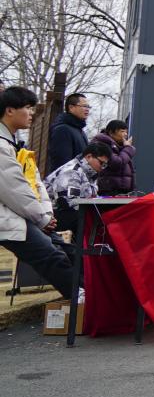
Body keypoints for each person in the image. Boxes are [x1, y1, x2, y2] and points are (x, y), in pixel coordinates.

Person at [0, 87, 77, 301]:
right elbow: (14, 190)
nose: (32, 113)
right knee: (53, 257)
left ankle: (88, 299)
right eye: (27, 107)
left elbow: (34, 183)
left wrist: (45, 214)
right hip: (10, 218)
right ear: (9, 110)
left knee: (68, 252)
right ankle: (83, 302)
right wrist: (42, 218)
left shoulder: (14, 144)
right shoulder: (2, 146)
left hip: (24, 215)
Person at [43, 141, 111, 237]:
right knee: (88, 220)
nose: (102, 167)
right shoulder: (71, 171)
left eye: (105, 165)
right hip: (51, 216)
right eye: (101, 163)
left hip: (66, 213)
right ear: (89, 157)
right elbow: (67, 203)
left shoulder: (91, 173)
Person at [48, 92, 90, 172]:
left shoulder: (80, 131)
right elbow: (61, 164)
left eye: (88, 107)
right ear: (71, 107)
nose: (87, 109)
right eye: (84, 106)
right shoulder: (62, 130)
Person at [92, 120, 136, 195]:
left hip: (122, 191)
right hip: (109, 190)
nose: (125, 134)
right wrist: (128, 148)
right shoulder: (102, 144)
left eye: (126, 132)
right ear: (111, 133)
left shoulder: (120, 145)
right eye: (122, 131)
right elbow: (116, 162)